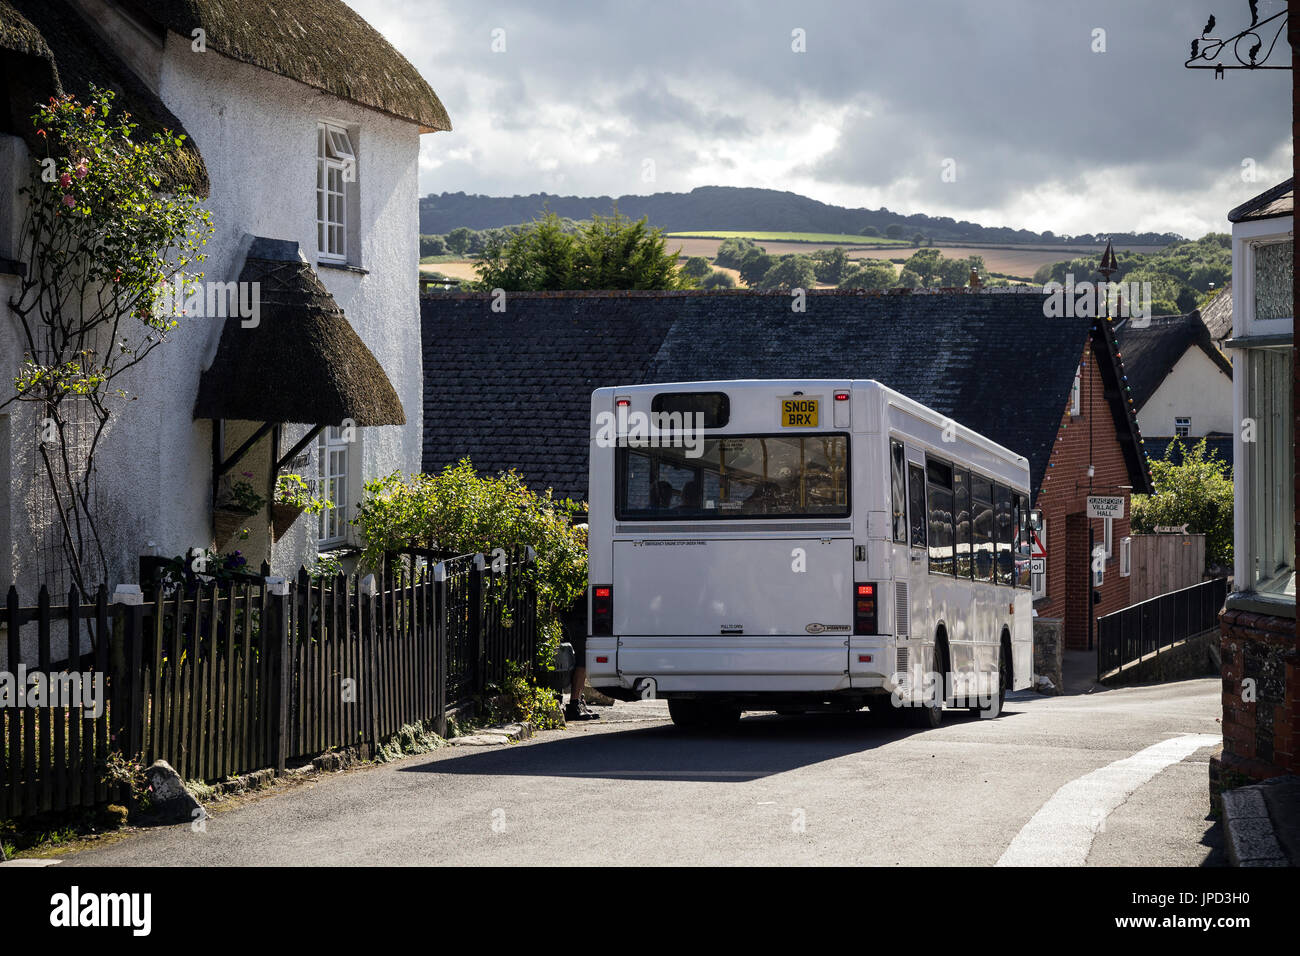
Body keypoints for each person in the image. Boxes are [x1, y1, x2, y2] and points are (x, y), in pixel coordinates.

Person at [562, 592, 600, 721]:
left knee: (582, 661)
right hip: (578, 618)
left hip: (576, 617)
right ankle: (574, 704)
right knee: (582, 662)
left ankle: (578, 701)